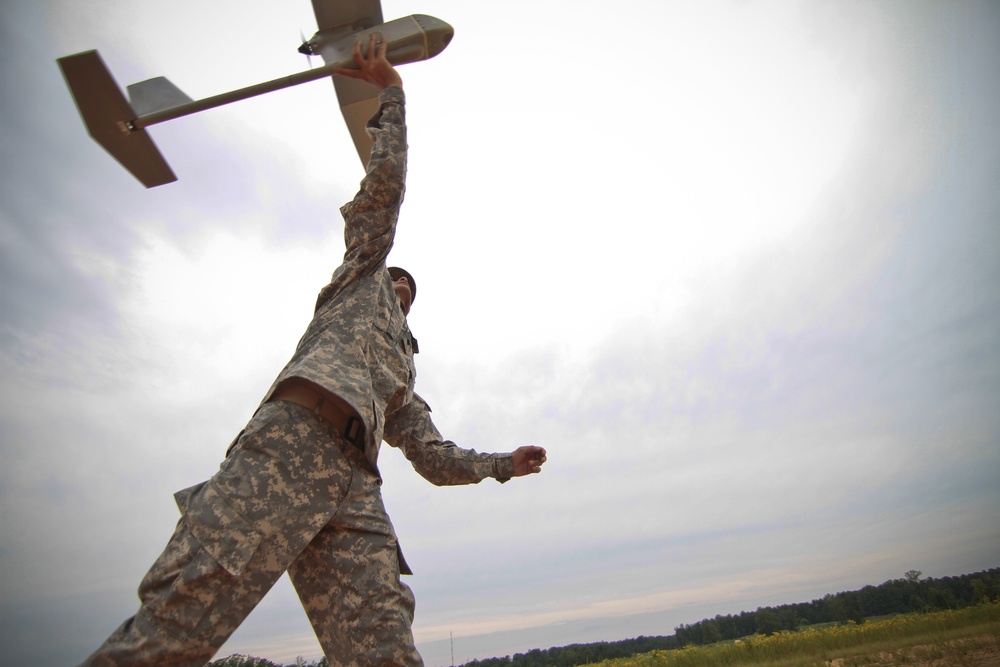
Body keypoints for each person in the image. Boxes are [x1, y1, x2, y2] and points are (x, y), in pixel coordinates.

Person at [77, 35, 547, 667]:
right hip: (290, 446)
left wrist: (503, 465)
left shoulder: (402, 372)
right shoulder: (359, 278)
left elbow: (434, 457)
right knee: (173, 632)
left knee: (385, 650)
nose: (401, 283)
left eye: (411, 285)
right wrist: (391, 99)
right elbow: (380, 201)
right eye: (396, 275)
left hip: (355, 487)